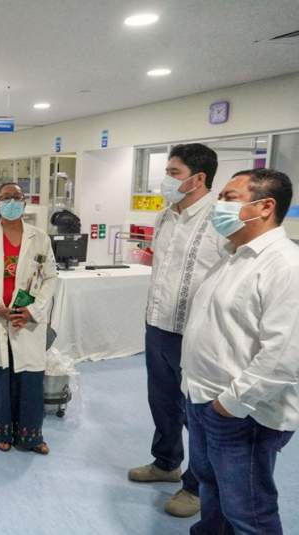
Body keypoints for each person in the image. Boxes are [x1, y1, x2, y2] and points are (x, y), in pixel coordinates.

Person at [182, 168, 298, 534]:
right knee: (210, 484)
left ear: (265, 206)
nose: (218, 205)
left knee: (248, 509)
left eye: (229, 198)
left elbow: (284, 357)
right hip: (203, 396)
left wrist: (229, 405)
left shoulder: (286, 266)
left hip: (241, 413)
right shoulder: (235, 255)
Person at [128, 143, 225, 517]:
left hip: (197, 334)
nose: (165, 181)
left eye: (173, 173)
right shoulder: (166, 216)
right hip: (158, 326)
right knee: (162, 401)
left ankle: (196, 486)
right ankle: (167, 461)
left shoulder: (220, 220)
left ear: (198, 179)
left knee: (196, 412)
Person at [0, 183, 58, 453]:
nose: (11, 202)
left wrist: (32, 310)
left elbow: (49, 278)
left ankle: (32, 437)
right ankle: (2, 432)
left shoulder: (40, 238)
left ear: (24, 203)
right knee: (0, 378)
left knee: (30, 380)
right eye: (5, 198)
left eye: (16, 198)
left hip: (27, 320)